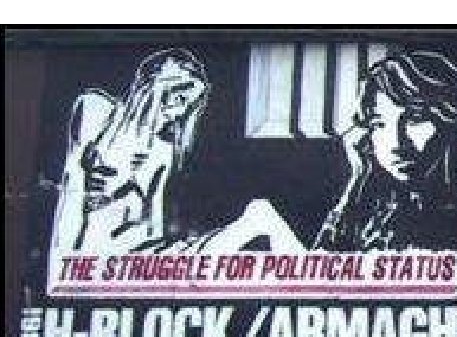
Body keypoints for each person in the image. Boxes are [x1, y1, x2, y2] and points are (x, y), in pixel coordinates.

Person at [47, 47, 303, 283]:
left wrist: (172, 260)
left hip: (142, 263)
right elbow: (71, 188)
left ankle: (305, 275)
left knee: (261, 215)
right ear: (160, 86)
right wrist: (60, 265)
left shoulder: (164, 150)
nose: (182, 111)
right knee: (258, 218)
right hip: (97, 260)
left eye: (190, 104)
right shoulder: (94, 109)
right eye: (181, 97)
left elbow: (154, 223)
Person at [314, 51, 457, 253]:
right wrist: (357, 180)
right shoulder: (385, 205)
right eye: (378, 124)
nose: (396, 142)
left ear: (451, 120)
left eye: (415, 118)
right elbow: (323, 265)